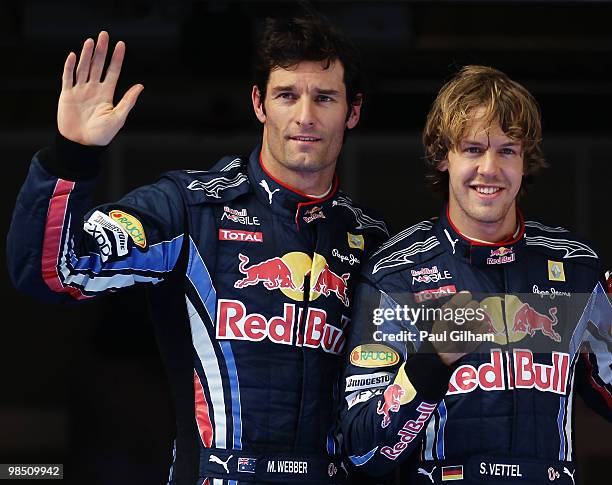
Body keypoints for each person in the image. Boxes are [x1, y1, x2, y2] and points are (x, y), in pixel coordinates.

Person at [6, 12, 389, 485]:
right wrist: (72, 154)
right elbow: (53, 272)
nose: (305, 116)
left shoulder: (374, 245)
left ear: (353, 111)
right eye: (287, 95)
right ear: (259, 104)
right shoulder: (189, 210)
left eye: (325, 98)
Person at [339, 66, 611, 484]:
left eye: (507, 150)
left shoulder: (576, 269)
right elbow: (361, 453)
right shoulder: (396, 275)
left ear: (525, 160)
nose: (490, 169)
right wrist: (431, 363)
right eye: (472, 149)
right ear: (442, 156)